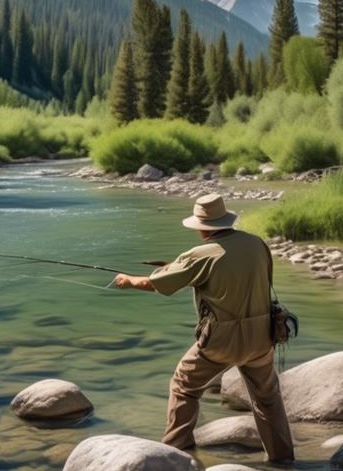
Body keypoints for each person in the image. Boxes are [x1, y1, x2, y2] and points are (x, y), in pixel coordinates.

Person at [113, 193, 294, 464]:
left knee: (184, 386)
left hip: (221, 341)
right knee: (267, 399)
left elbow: (154, 284)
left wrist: (128, 280)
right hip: (262, 337)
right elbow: (237, 275)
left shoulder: (199, 254)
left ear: (202, 226)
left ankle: (177, 452)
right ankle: (282, 460)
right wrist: (182, 269)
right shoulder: (257, 244)